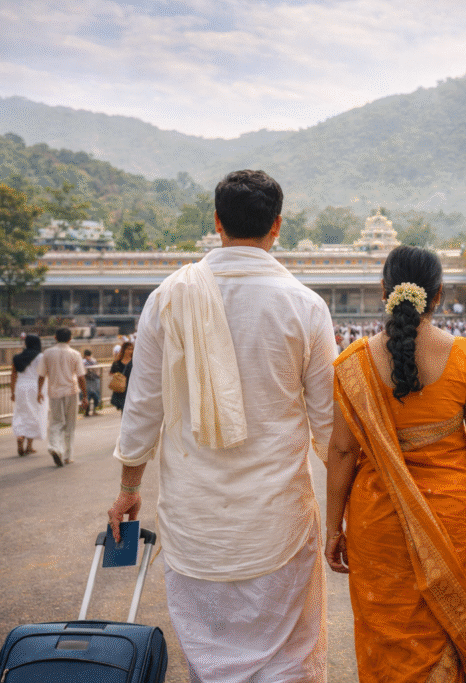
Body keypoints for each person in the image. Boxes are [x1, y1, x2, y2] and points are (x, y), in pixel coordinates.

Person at [106, 170, 335, 682]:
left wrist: (128, 489)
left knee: (211, 664)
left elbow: (142, 408)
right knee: (287, 663)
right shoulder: (305, 306)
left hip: (196, 523)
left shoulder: (168, 297)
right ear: (277, 226)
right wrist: (349, 506)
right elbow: (330, 429)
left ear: (216, 221)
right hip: (278, 520)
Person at [325, 245, 466, 683]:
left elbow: (342, 452)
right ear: (439, 294)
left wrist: (334, 528)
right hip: (453, 516)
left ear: (383, 291)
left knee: (387, 636)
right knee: (446, 629)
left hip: (378, 523)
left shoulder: (352, 363)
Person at [38, 328, 88, 466]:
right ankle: (68, 455)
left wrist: (39, 391)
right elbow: (81, 377)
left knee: (56, 422)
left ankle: (55, 447)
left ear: (55, 337)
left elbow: (41, 375)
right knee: (70, 424)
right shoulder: (75, 354)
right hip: (71, 391)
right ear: (70, 339)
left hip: (54, 392)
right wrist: (85, 395)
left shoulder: (47, 353)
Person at [11, 334, 47, 456]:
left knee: (21, 413)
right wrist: (40, 391)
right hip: (35, 387)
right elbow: (43, 374)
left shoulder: (17, 357)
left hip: (20, 387)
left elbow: (13, 375)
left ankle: (20, 436)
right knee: (34, 414)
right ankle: (29, 446)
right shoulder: (41, 356)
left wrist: (12, 392)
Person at [108, 341, 134, 412]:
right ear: (124, 349)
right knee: (124, 408)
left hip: (131, 388)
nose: (130, 351)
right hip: (122, 388)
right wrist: (117, 376)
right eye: (128, 349)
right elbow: (111, 372)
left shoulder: (134, 361)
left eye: (132, 349)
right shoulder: (117, 362)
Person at [82, 349, 101, 416]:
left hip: (91, 380)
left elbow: (97, 370)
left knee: (94, 396)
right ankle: (87, 411)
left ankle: (93, 410)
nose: (88, 357)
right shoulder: (85, 361)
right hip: (89, 380)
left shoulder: (92, 361)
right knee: (88, 396)